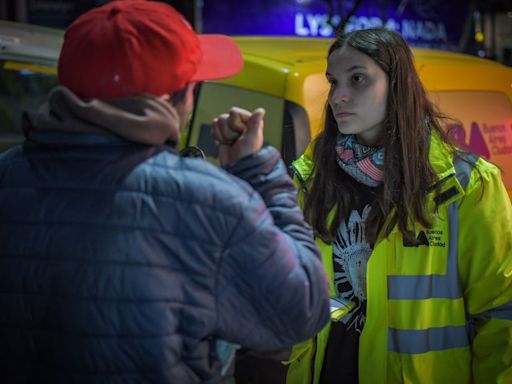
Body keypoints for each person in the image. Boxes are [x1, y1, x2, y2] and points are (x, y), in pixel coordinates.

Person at [0, 1, 330, 383]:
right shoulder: (210, 201)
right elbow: (303, 309)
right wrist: (259, 173)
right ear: (178, 97)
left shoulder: (7, 175)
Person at [265, 27, 512, 383]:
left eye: (358, 79)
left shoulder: (464, 185)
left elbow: (500, 312)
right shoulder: (314, 178)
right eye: (334, 82)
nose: (339, 96)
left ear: (396, 85)